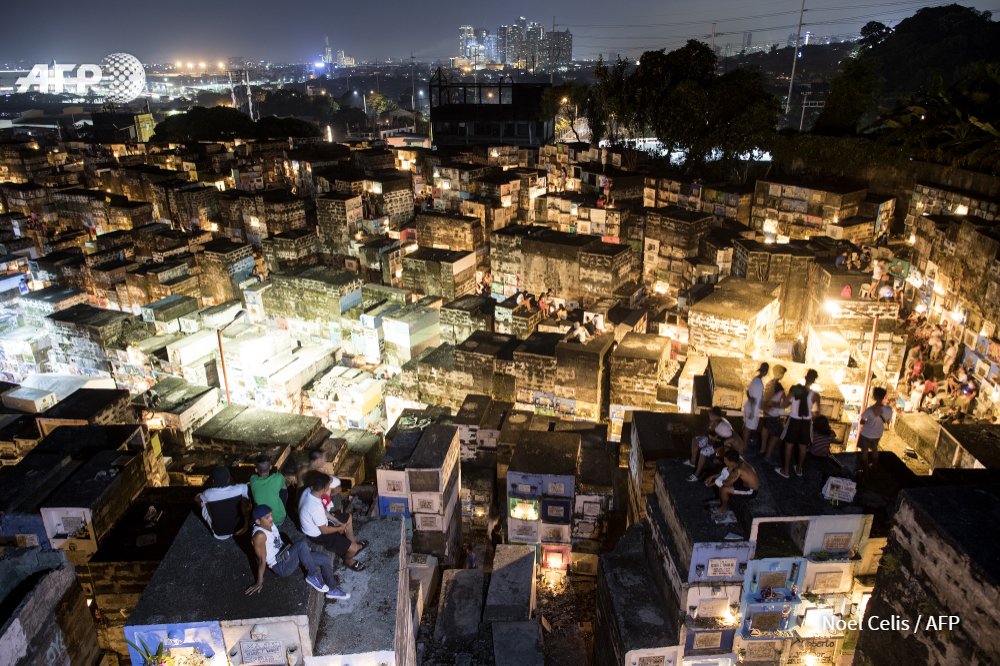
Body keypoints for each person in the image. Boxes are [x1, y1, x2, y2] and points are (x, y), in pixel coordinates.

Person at [245, 505, 349, 600]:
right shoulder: (259, 536)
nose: (271, 518)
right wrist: (259, 581)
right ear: (258, 521)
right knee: (301, 544)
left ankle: (333, 589)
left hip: (287, 555)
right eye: (267, 517)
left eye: (271, 515)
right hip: (281, 566)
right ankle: (313, 575)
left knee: (324, 559)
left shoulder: (269, 524)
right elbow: (262, 560)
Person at [298, 472, 367, 571]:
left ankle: (353, 545)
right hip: (316, 534)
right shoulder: (315, 507)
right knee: (353, 548)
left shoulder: (309, 491)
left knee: (348, 518)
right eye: (328, 486)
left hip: (319, 521)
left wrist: (337, 521)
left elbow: (324, 511)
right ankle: (348, 559)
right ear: (324, 489)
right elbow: (324, 530)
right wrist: (339, 528)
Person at [776, 369, 819, 478]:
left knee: (789, 445)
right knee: (803, 447)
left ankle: (785, 471)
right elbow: (818, 413)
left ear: (805, 377)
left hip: (794, 420)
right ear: (814, 381)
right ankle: (799, 469)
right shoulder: (815, 395)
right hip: (806, 422)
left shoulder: (796, 389)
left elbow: (785, 404)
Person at [686, 407, 742, 481]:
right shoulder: (716, 421)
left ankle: (696, 475)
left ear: (712, 414)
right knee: (695, 439)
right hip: (716, 441)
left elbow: (725, 443)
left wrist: (714, 448)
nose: (709, 415)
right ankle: (692, 462)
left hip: (723, 447)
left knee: (703, 452)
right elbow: (710, 435)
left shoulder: (722, 426)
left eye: (710, 414)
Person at [705, 449, 759, 524]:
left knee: (724, 489)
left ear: (731, 462)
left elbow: (727, 483)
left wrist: (713, 482)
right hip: (743, 483)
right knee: (721, 483)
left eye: (725, 460)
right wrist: (712, 476)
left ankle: (723, 508)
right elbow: (726, 473)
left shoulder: (738, 470)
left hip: (751, 491)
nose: (724, 461)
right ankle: (721, 499)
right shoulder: (738, 461)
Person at [196, 466, 249, 540]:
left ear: (213, 480)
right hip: (240, 529)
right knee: (245, 500)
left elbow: (197, 499)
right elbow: (247, 496)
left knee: (202, 501)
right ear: (228, 479)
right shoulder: (241, 488)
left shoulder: (208, 493)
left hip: (219, 534)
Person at [858, 387, 892, 474]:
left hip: (866, 434)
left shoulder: (869, 410)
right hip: (877, 434)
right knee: (874, 449)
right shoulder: (889, 409)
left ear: (875, 396)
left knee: (864, 451)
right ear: (884, 396)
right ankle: (875, 467)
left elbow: (862, 421)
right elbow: (887, 419)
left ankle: (866, 471)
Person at [249, 455, 288, 527]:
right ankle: (282, 509)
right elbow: (284, 488)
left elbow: (253, 476)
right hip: (279, 519)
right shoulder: (278, 477)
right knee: (283, 487)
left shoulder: (253, 479)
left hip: (261, 522)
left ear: (256, 470)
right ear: (270, 467)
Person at [760, 365, 788, 461]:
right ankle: (768, 455)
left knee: (766, 428)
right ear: (780, 374)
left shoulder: (769, 383)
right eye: (783, 373)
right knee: (777, 433)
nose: (783, 375)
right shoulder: (778, 386)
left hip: (767, 412)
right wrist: (780, 406)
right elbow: (777, 401)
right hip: (773, 413)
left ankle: (763, 449)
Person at [742, 362, 768, 448]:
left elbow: (748, 392)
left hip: (750, 406)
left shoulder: (755, 379)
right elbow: (756, 400)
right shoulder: (759, 383)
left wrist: (750, 399)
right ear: (765, 372)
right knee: (748, 428)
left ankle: (745, 444)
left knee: (747, 427)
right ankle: (744, 445)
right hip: (753, 408)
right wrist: (753, 412)